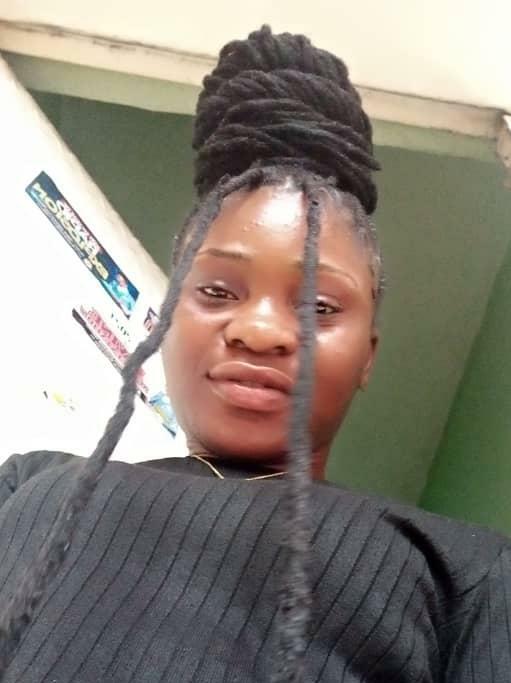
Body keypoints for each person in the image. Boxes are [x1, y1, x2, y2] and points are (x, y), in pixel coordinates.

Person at [0, 26, 510, 683]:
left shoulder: (465, 572)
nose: (261, 330)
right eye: (217, 291)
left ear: (367, 356)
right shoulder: (27, 483)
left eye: (318, 306)